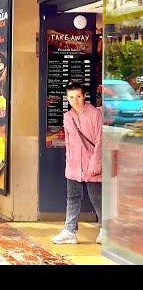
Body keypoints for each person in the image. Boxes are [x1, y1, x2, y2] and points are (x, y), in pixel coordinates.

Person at [51, 82, 103, 245]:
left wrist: (95, 164)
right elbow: (69, 141)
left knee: (97, 198)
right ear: (67, 98)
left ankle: (105, 229)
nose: (75, 100)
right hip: (74, 165)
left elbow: (100, 140)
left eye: (78, 96)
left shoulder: (95, 114)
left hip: (91, 164)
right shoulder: (67, 117)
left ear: (84, 96)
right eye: (72, 97)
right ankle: (69, 231)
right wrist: (69, 161)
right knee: (72, 197)